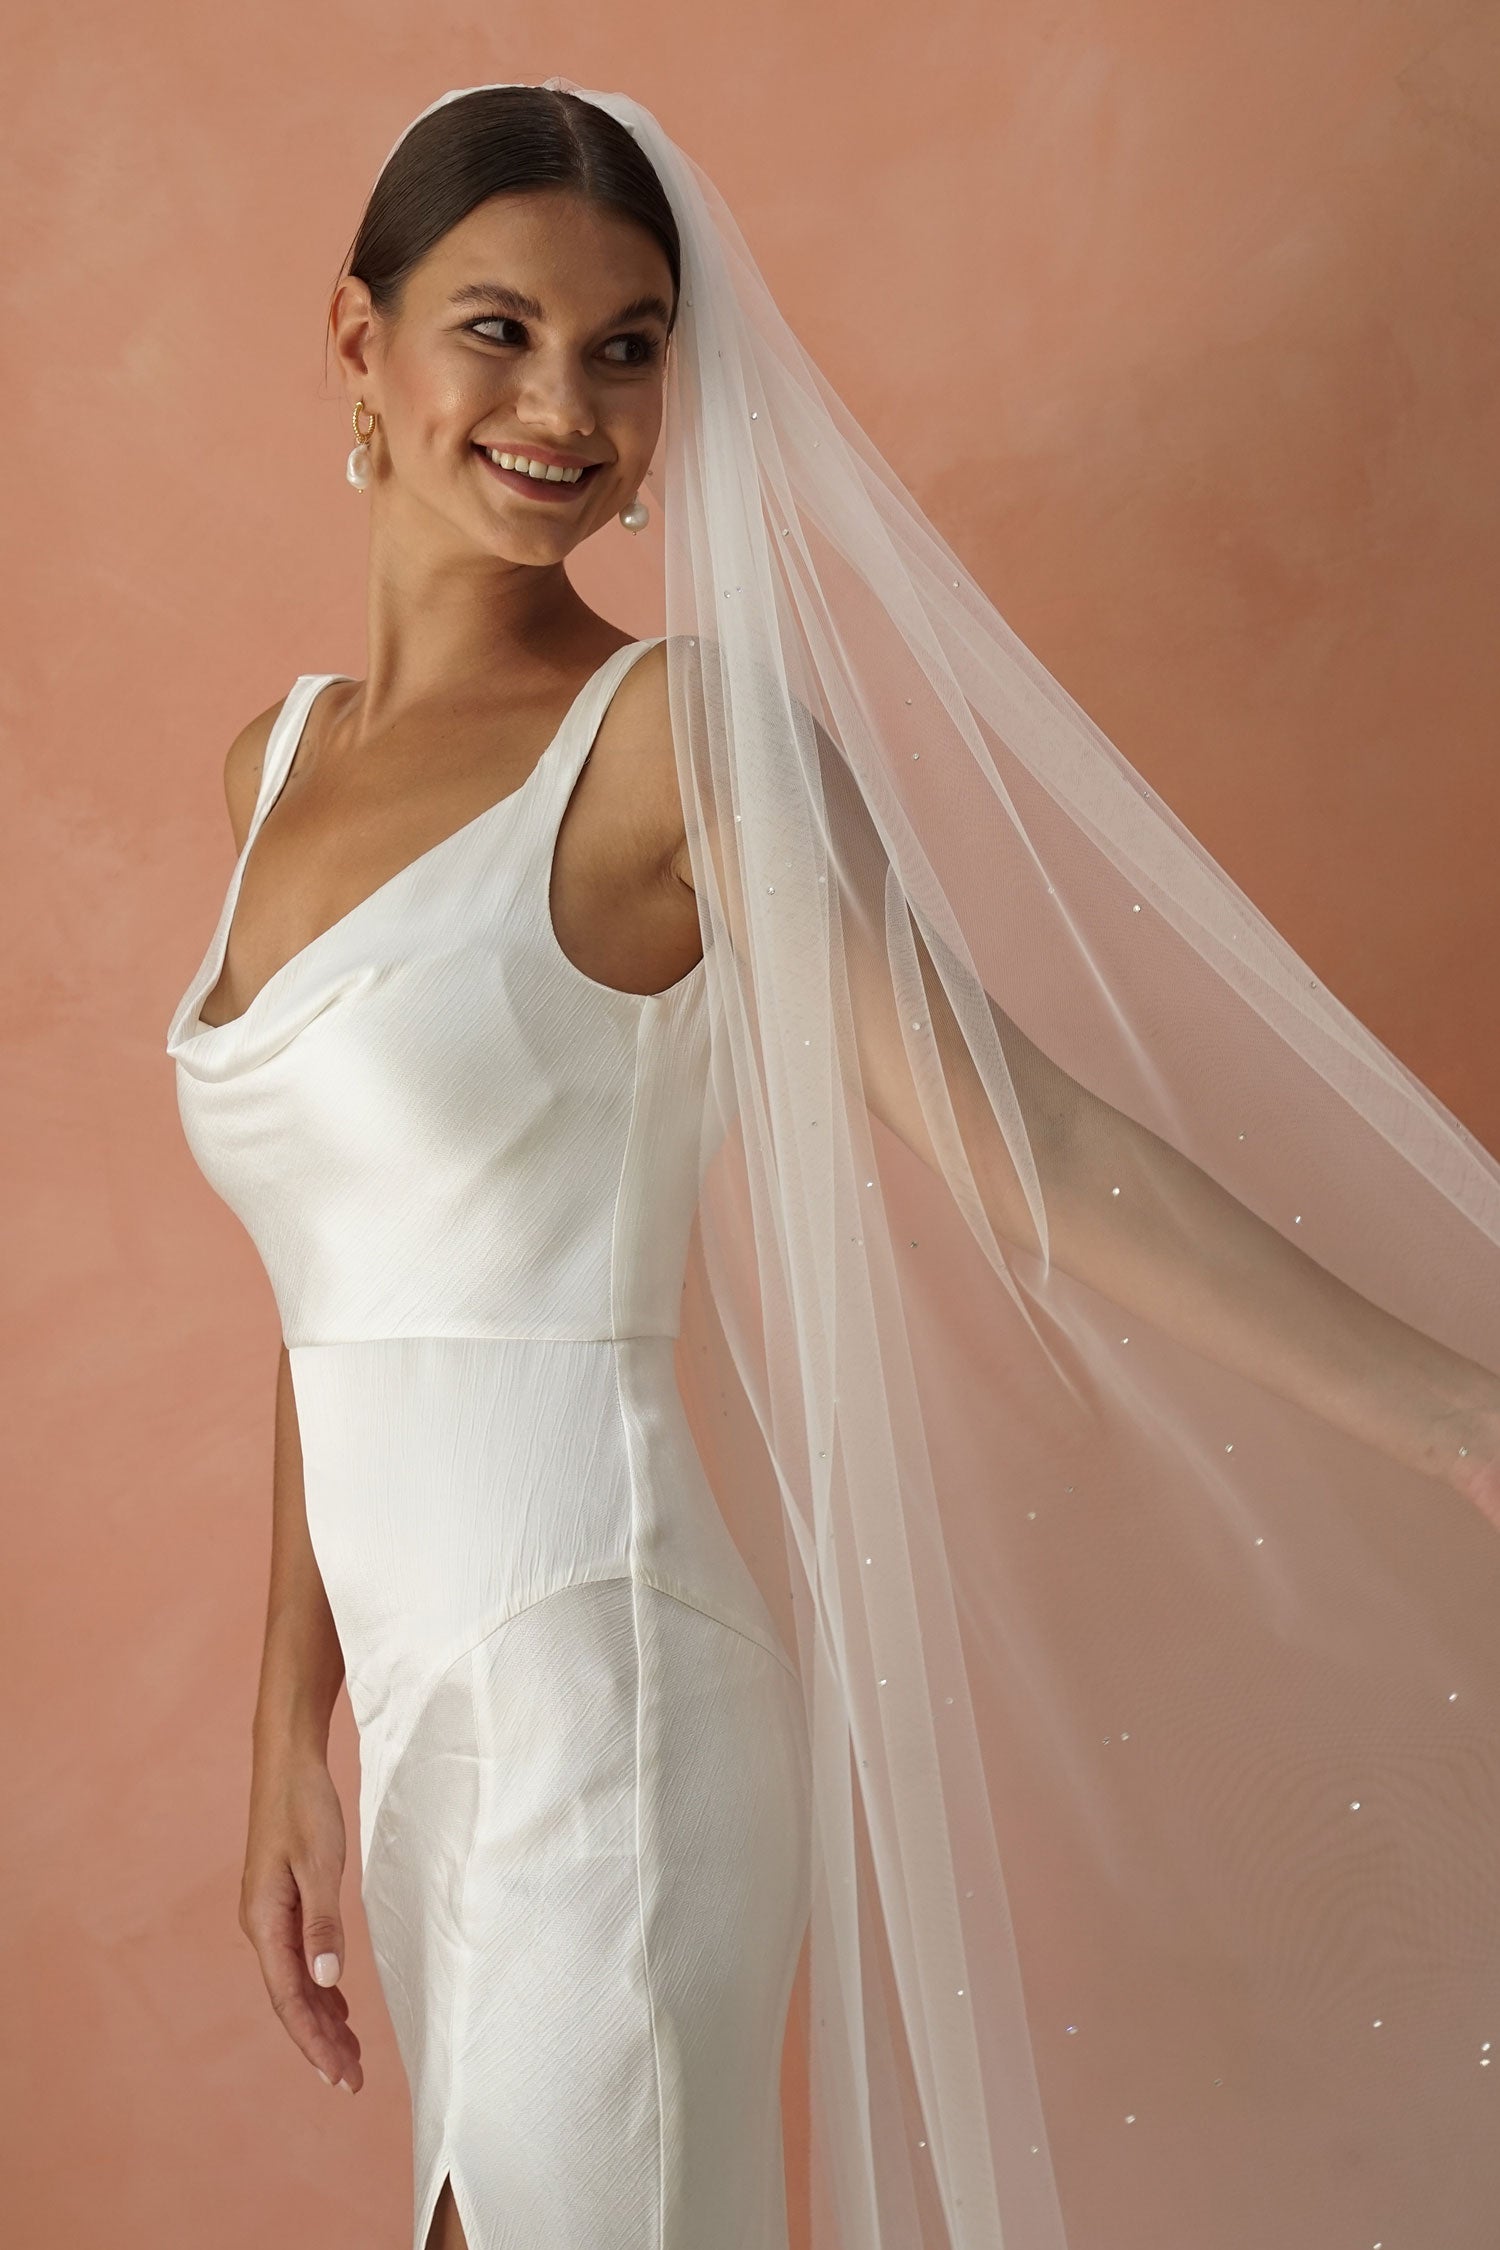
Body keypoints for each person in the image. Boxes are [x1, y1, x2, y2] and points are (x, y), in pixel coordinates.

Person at [166, 78, 1500, 2250]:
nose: (564, 404)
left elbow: (1023, 1137)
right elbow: (334, 1295)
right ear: (359, 343)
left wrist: (1461, 1408)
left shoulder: (677, 739)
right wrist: (280, 1753)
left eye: (626, 347)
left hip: (610, 1703)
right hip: (416, 1736)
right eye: (497, 329)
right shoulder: (279, 765)